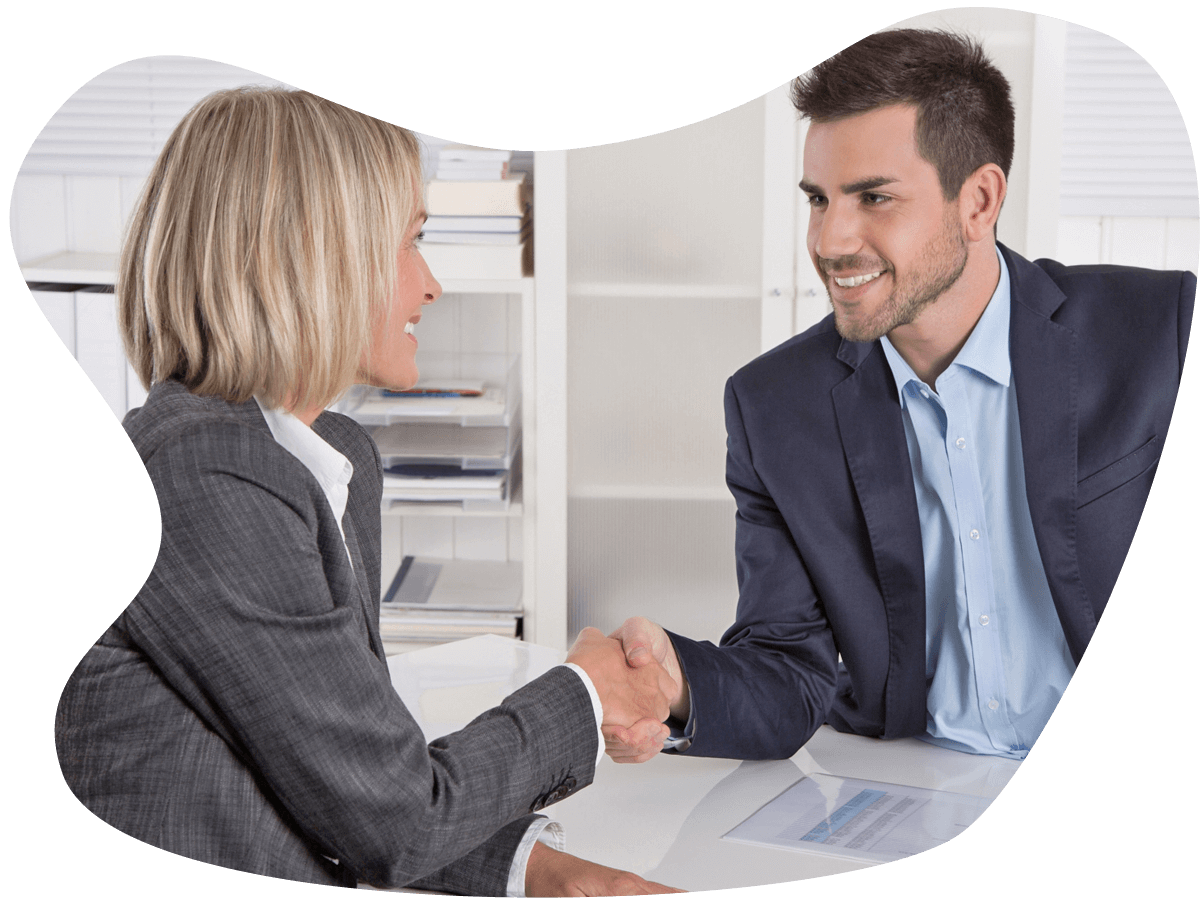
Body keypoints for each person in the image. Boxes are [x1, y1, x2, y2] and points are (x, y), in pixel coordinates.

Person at [53, 87, 682, 896]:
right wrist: (585, 695)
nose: (431, 285)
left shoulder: (324, 461)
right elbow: (394, 821)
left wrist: (547, 873)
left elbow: (335, 792)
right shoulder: (202, 480)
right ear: (310, 257)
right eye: (410, 244)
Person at [605, 28, 1194, 764]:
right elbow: (787, 668)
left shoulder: (1159, 334)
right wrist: (679, 686)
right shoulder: (774, 408)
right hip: (914, 785)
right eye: (818, 199)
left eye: (873, 197)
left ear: (979, 200)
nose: (829, 239)